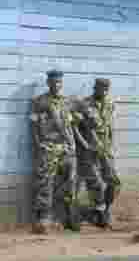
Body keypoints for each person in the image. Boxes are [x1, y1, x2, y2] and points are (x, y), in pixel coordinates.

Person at [29, 70, 78, 234]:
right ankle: (44, 218)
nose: (57, 85)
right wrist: (39, 145)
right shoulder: (39, 102)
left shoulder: (67, 102)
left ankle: (68, 216)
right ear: (48, 83)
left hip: (66, 148)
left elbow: (71, 126)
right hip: (49, 148)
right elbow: (33, 125)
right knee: (45, 183)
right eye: (54, 82)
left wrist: (72, 145)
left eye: (59, 82)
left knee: (70, 182)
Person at [74, 78, 119, 229]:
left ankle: (105, 209)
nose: (104, 92)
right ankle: (99, 213)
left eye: (107, 90)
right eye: (101, 89)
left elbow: (110, 126)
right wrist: (84, 145)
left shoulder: (110, 104)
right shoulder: (84, 104)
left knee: (114, 182)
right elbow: (75, 127)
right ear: (95, 88)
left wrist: (111, 145)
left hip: (106, 148)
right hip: (90, 150)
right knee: (96, 184)